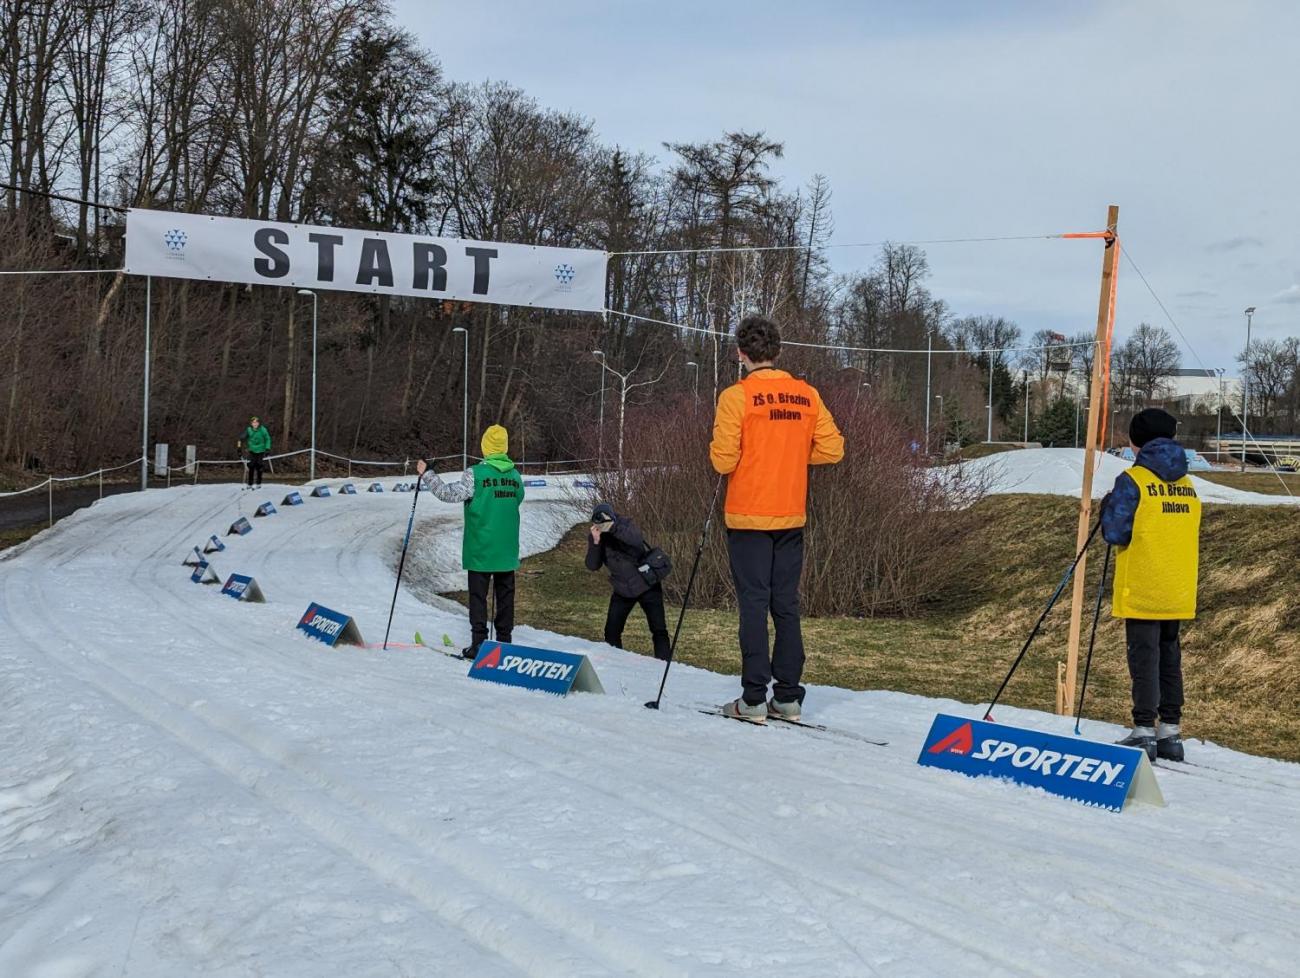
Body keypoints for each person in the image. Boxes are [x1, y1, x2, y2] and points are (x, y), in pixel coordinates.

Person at [709, 315, 844, 722]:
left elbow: (723, 460)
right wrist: (791, 454)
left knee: (753, 604)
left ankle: (752, 699)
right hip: (790, 516)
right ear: (778, 351)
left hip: (749, 518)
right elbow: (833, 449)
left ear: (740, 353)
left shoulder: (736, 397)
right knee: (786, 604)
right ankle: (787, 696)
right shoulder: (805, 395)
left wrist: (762, 455)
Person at [1100, 407, 1201, 762]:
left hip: (1143, 585)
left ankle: (1144, 729)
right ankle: (1170, 731)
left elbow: (1115, 532)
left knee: (1144, 659)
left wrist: (1107, 506)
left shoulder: (1134, 480)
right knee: (1170, 658)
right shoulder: (1188, 483)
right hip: (1177, 586)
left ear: (1135, 443)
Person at [416, 424, 523, 658]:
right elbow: (518, 499)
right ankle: (505, 642)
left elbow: (448, 494)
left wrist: (427, 474)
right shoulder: (515, 476)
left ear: (486, 447)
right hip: (506, 550)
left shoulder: (475, 474)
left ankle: (479, 644)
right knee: (505, 598)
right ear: (504, 447)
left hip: (480, 549)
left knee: (478, 598)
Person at [585, 503, 672, 661]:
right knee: (611, 631)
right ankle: (617, 664)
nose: (601, 524)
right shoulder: (596, 536)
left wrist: (612, 527)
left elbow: (636, 539)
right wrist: (596, 542)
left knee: (659, 629)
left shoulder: (624, 524)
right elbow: (592, 565)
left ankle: (664, 666)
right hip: (622, 589)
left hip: (647, 583)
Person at [238, 415, 271, 489]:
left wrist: (267, 448)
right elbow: (241, 438)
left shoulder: (263, 430)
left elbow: (268, 439)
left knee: (259, 466)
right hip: (252, 450)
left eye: (256, 422)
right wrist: (239, 447)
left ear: (258, 423)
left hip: (261, 450)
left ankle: (258, 483)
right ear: (251, 424)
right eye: (253, 423)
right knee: (251, 466)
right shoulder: (249, 430)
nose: (255, 424)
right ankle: (250, 483)